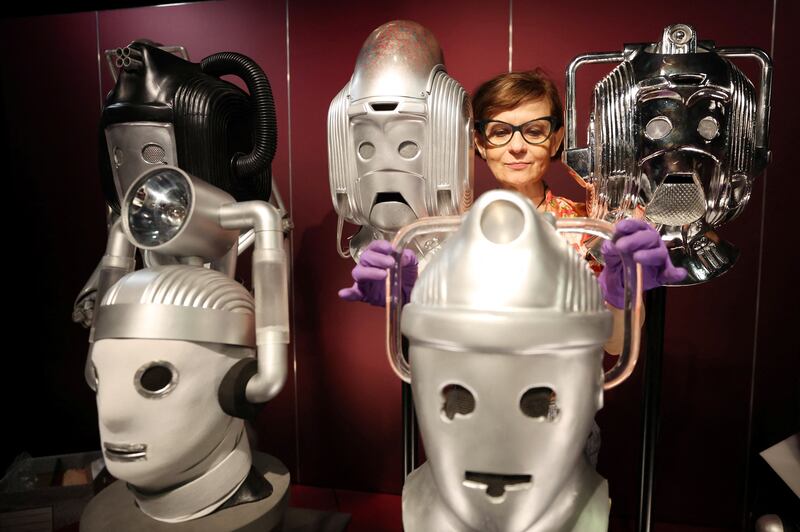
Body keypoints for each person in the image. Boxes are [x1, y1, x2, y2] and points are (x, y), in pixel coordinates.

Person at [339, 69, 686, 333]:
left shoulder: (590, 232)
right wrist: (406, 297)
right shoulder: (447, 232)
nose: (516, 146)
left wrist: (619, 287)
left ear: (555, 141)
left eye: (534, 131)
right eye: (500, 131)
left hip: (561, 411)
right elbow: (430, 332)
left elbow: (613, 342)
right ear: (478, 142)